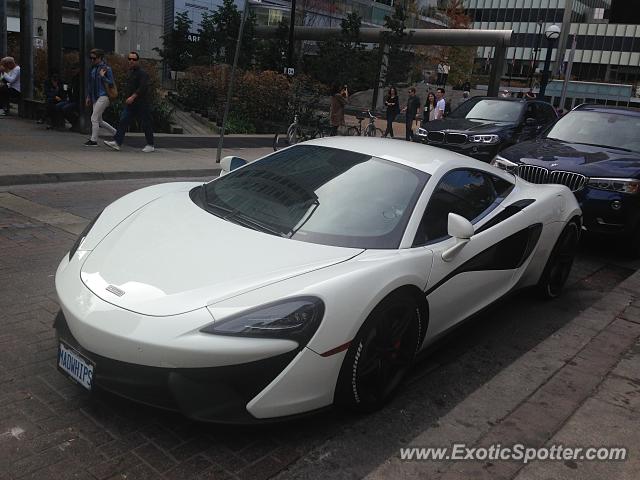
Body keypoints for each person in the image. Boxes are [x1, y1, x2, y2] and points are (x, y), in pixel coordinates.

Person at [105, 51, 155, 152]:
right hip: (131, 104)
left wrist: (133, 97)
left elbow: (142, 87)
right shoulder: (130, 73)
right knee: (123, 120)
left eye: (134, 59)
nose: (131, 61)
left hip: (142, 103)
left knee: (146, 123)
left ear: (138, 61)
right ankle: (117, 143)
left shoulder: (142, 73)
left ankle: (150, 144)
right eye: (130, 59)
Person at [85, 49, 116, 147]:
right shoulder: (93, 69)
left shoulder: (106, 68)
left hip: (104, 96)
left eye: (94, 58)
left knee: (94, 118)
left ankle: (93, 140)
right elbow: (91, 84)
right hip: (95, 97)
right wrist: (89, 96)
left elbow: (111, 83)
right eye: (91, 58)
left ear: (100, 58)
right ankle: (117, 133)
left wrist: (103, 76)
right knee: (99, 121)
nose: (92, 60)